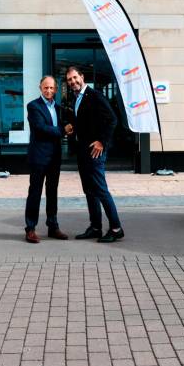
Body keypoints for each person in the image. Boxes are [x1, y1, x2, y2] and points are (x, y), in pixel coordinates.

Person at [64, 67, 124, 243]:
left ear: (82, 77)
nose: (73, 81)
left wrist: (101, 142)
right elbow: (84, 121)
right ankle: (95, 227)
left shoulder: (95, 95)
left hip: (95, 151)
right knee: (89, 190)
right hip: (83, 152)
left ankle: (116, 228)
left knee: (100, 189)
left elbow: (112, 120)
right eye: (69, 80)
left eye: (75, 78)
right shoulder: (75, 98)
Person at [24, 76, 69, 243]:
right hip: (39, 157)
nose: (49, 90)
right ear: (40, 88)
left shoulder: (59, 108)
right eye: (45, 88)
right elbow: (41, 128)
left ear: (56, 89)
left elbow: (64, 125)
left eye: (51, 88)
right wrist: (63, 130)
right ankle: (30, 229)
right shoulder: (33, 106)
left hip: (54, 157)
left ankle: (53, 226)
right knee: (35, 193)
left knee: (52, 192)